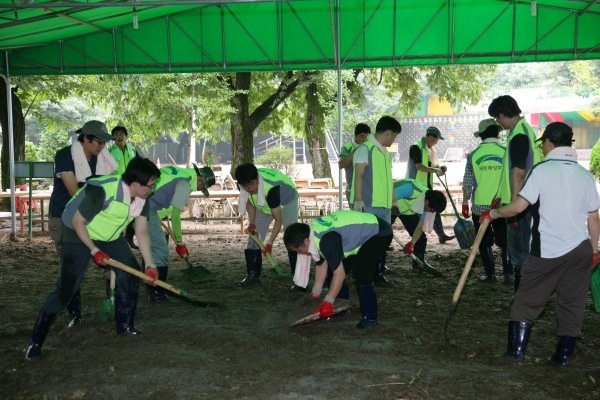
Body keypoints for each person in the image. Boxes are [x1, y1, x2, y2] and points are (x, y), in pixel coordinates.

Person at [479, 122, 600, 365]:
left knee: (527, 300)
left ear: (547, 143)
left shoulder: (542, 171)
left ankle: (515, 353)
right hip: (580, 249)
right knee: (572, 303)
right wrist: (595, 250)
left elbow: (519, 206)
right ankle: (563, 356)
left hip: (548, 249)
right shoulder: (585, 175)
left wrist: (493, 214)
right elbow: (594, 217)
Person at [25, 157, 161, 360]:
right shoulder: (102, 191)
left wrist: (149, 264)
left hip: (108, 235)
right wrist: (94, 250)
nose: (153, 188)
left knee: (131, 274)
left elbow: (141, 231)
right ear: (135, 184)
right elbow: (77, 221)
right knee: (67, 287)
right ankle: (35, 343)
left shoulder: (143, 195)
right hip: (77, 231)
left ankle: (125, 327)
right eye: (151, 185)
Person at [47, 120, 118, 328]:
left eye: (105, 143)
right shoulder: (64, 155)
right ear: (85, 138)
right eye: (99, 142)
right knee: (71, 269)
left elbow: (110, 187)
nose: (103, 146)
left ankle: (112, 305)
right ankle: (75, 316)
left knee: (110, 261)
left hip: (94, 217)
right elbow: (73, 191)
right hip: (64, 218)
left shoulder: (102, 158)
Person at [283, 210, 393, 329]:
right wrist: (316, 292)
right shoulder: (312, 233)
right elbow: (321, 264)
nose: (300, 253)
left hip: (379, 232)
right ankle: (342, 309)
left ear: (306, 241)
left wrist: (328, 301)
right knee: (333, 268)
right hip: (357, 236)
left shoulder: (326, 239)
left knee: (361, 267)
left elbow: (339, 275)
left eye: (298, 250)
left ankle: (370, 318)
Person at [488, 95, 542, 294]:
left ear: (502, 114)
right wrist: (500, 197)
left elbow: (518, 174)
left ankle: (523, 297)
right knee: (520, 250)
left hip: (522, 204)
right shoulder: (522, 131)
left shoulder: (519, 135)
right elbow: (510, 172)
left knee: (520, 252)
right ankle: (522, 296)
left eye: (496, 118)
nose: (498, 122)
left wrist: (512, 209)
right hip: (522, 200)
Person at [145, 164, 214, 301]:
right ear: (200, 180)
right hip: (146, 208)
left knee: (151, 248)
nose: (200, 190)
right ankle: (157, 292)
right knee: (161, 250)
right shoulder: (185, 185)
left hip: (144, 203)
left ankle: (150, 289)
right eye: (203, 188)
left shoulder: (181, 174)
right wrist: (180, 242)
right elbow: (176, 216)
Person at [351, 115, 401, 284]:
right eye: (394, 136)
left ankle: (378, 275)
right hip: (368, 205)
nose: (394, 140)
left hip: (384, 205)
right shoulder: (365, 149)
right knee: (367, 243)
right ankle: (365, 276)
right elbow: (359, 175)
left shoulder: (385, 154)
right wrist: (358, 201)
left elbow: (389, 179)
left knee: (382, 241)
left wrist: (394, 201)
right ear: (388, 133)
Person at [461, 119, 511, 283]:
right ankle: (508, 275)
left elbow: (468, 182)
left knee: (483, 242)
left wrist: (465, 203)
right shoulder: (506, 152)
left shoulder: (474, 155)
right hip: (504, 205)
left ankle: (490, 275)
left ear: (481, 136)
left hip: (480, 208)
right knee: (505, 242)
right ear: (497, 133)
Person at [235, 163, 299, 284]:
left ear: (257, 178)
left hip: (286, 201)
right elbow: (249, 202)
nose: (250, 188)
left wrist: (270, 243)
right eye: (246, 186)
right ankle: (253, 275)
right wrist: (252, 223)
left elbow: (277, 219)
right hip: (262, 204)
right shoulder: (242, 185)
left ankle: (297, 276)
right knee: (253, 239)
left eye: (252, 184)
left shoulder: (271, 188)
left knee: (292, 237)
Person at [406, 126, 455, 244]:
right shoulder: (416, 147)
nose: (437, 142)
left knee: (434, 207)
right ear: (431, 137)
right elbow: (419, 166)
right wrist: (435, 170)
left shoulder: (429, 149)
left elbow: (434, 166)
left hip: (426, 187)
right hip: (415, 187)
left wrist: (440, 169)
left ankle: (441, 234)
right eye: (437, 139)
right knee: (412, 212)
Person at [391, 179, 447, 272]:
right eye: (431, 210)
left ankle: (419, 263)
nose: (430, 212)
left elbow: (420, 227)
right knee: (383, 235)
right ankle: (379, 268)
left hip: (407, 211)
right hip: (390, 205)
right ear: (426, 202)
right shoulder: (410, 189)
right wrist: (393, 205)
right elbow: (387, 195)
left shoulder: (429, 206)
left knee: (420, 237)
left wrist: (412, 243)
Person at [107, 125, 140, 249]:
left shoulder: (133, 150)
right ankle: (118, 240)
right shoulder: (108, 152)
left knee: (133, 214)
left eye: (122, 134)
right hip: (116, 188)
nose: (119, 137)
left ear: (127, 137)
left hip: (132, 188)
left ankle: (129, 237)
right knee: (117, 214)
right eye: (116, 134)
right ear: (112, 138)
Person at [338, 123, 370, 208]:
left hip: (367, 190)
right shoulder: (347, 148)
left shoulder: (369, 148)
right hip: (352, 191)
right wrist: (354, 152)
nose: (365, 140)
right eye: (362, 137)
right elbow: (341, 164)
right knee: (357, 217)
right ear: (355, 136)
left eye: (367, 137)